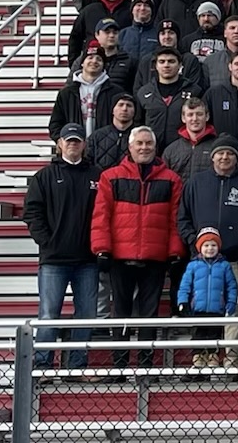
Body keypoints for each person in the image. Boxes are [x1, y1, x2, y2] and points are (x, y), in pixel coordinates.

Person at [91, 126, 184, 370]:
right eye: (139, 144)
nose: (144, 148)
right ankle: (119, 366)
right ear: (130, 147)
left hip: (155, 258)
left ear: (155, 148)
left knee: (149, 315)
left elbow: (175, 219)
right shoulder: (110, 177)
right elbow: (101, 216)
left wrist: (175, 252)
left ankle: (145, 366)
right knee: (120, 312)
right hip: (120, 258)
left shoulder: (171, 179)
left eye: (148, 144)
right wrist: (102, 249)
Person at [24, 125, 100, 373]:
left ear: (84, 144)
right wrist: (47, 241)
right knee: (48, 315)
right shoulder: (44, 176)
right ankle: (43, 366)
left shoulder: (97, 176)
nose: (73, 145)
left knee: (86, 315)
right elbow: (32, 213)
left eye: (77, 141)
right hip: (53, 260)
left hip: (87, 260)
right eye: (69, 141)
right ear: (59, 144)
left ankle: (77, 368)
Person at [177, 136, 238, 364]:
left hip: (233, 260)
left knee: (234, 312)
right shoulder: (196, 182)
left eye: (230, 153)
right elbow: (183, 218)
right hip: (201, 262)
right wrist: (195, 242)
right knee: (204, 309)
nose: (225, 157)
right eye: (220, 153)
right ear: (212, 156)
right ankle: (204, 356)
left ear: (236, 158)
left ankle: (232, 359)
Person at [177, 228, 238, 370]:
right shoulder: (193, 265)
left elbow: (231, 286)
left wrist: (231, 302)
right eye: (206, 245)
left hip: (217, 309)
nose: (210, 248)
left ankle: (213, 356)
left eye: (213, 245)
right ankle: (198, 357)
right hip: (198, 309)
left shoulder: (224, 266)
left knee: (214, 333)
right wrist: (183, 301)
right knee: (198, 334)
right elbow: (185, 285)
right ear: (200, 247)